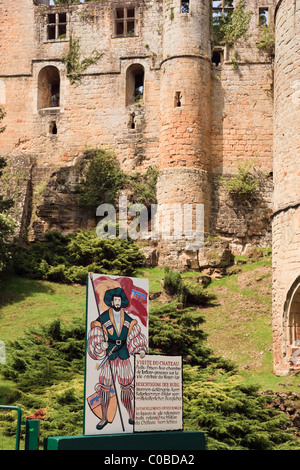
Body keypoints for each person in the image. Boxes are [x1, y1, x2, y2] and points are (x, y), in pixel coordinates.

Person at [87, 286, 147, 430]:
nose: (117, 302)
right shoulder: (103, 318)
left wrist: (140, 349)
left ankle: (131, 415)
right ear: (111, 302)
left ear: (122, 301)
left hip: (124, 354)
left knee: (126, 386)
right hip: (111, 354)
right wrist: (102, 345)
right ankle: (104, 418)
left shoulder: (128, 319)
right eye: (115, 300)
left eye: (119, 300)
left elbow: (135, 335)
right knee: (105, 387)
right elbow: (95, 335)